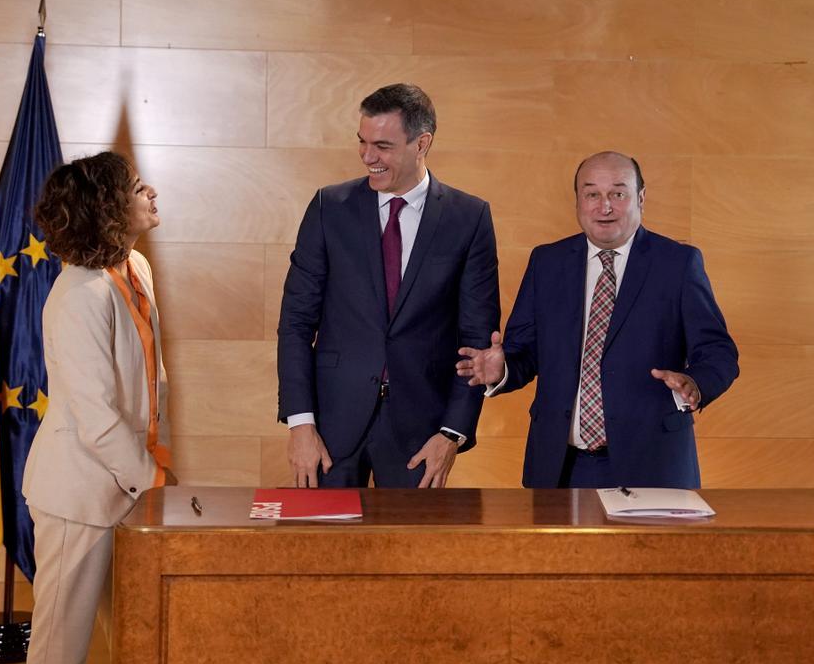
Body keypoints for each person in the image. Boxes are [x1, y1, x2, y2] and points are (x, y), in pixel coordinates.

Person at [457, 151, 738, 488]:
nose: (604, 207)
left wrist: (695, 384)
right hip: (559, 467)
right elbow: (525, 352)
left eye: (618, 194)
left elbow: (719, 352)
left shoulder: (677, 264)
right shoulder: (548, 262)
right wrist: (502, 370)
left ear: (641, 198)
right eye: (592, 194)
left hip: (653, 463)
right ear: (578, 201)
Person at [278, 83, 500, 488]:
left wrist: (453, 432)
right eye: (362, 143)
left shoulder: (468, 218)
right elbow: (295, 322)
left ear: (422, 143)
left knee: (410, 551)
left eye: (382, 146)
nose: (367, 157)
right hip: (330, 426)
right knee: (323, 552)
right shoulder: (330, 208)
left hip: (422, 432)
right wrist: (300, 423)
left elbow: (476, 341)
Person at [23, 151, 176, 664]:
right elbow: (96, 414)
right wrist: (152, 481)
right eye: (136, 188)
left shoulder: (135, 266)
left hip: (126, 486)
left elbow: (150, 384)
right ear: (108, 207)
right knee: (60, 649)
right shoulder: (77, 295)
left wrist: (151, 474)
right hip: (79, 494)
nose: (150, 191)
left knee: (131, 636)